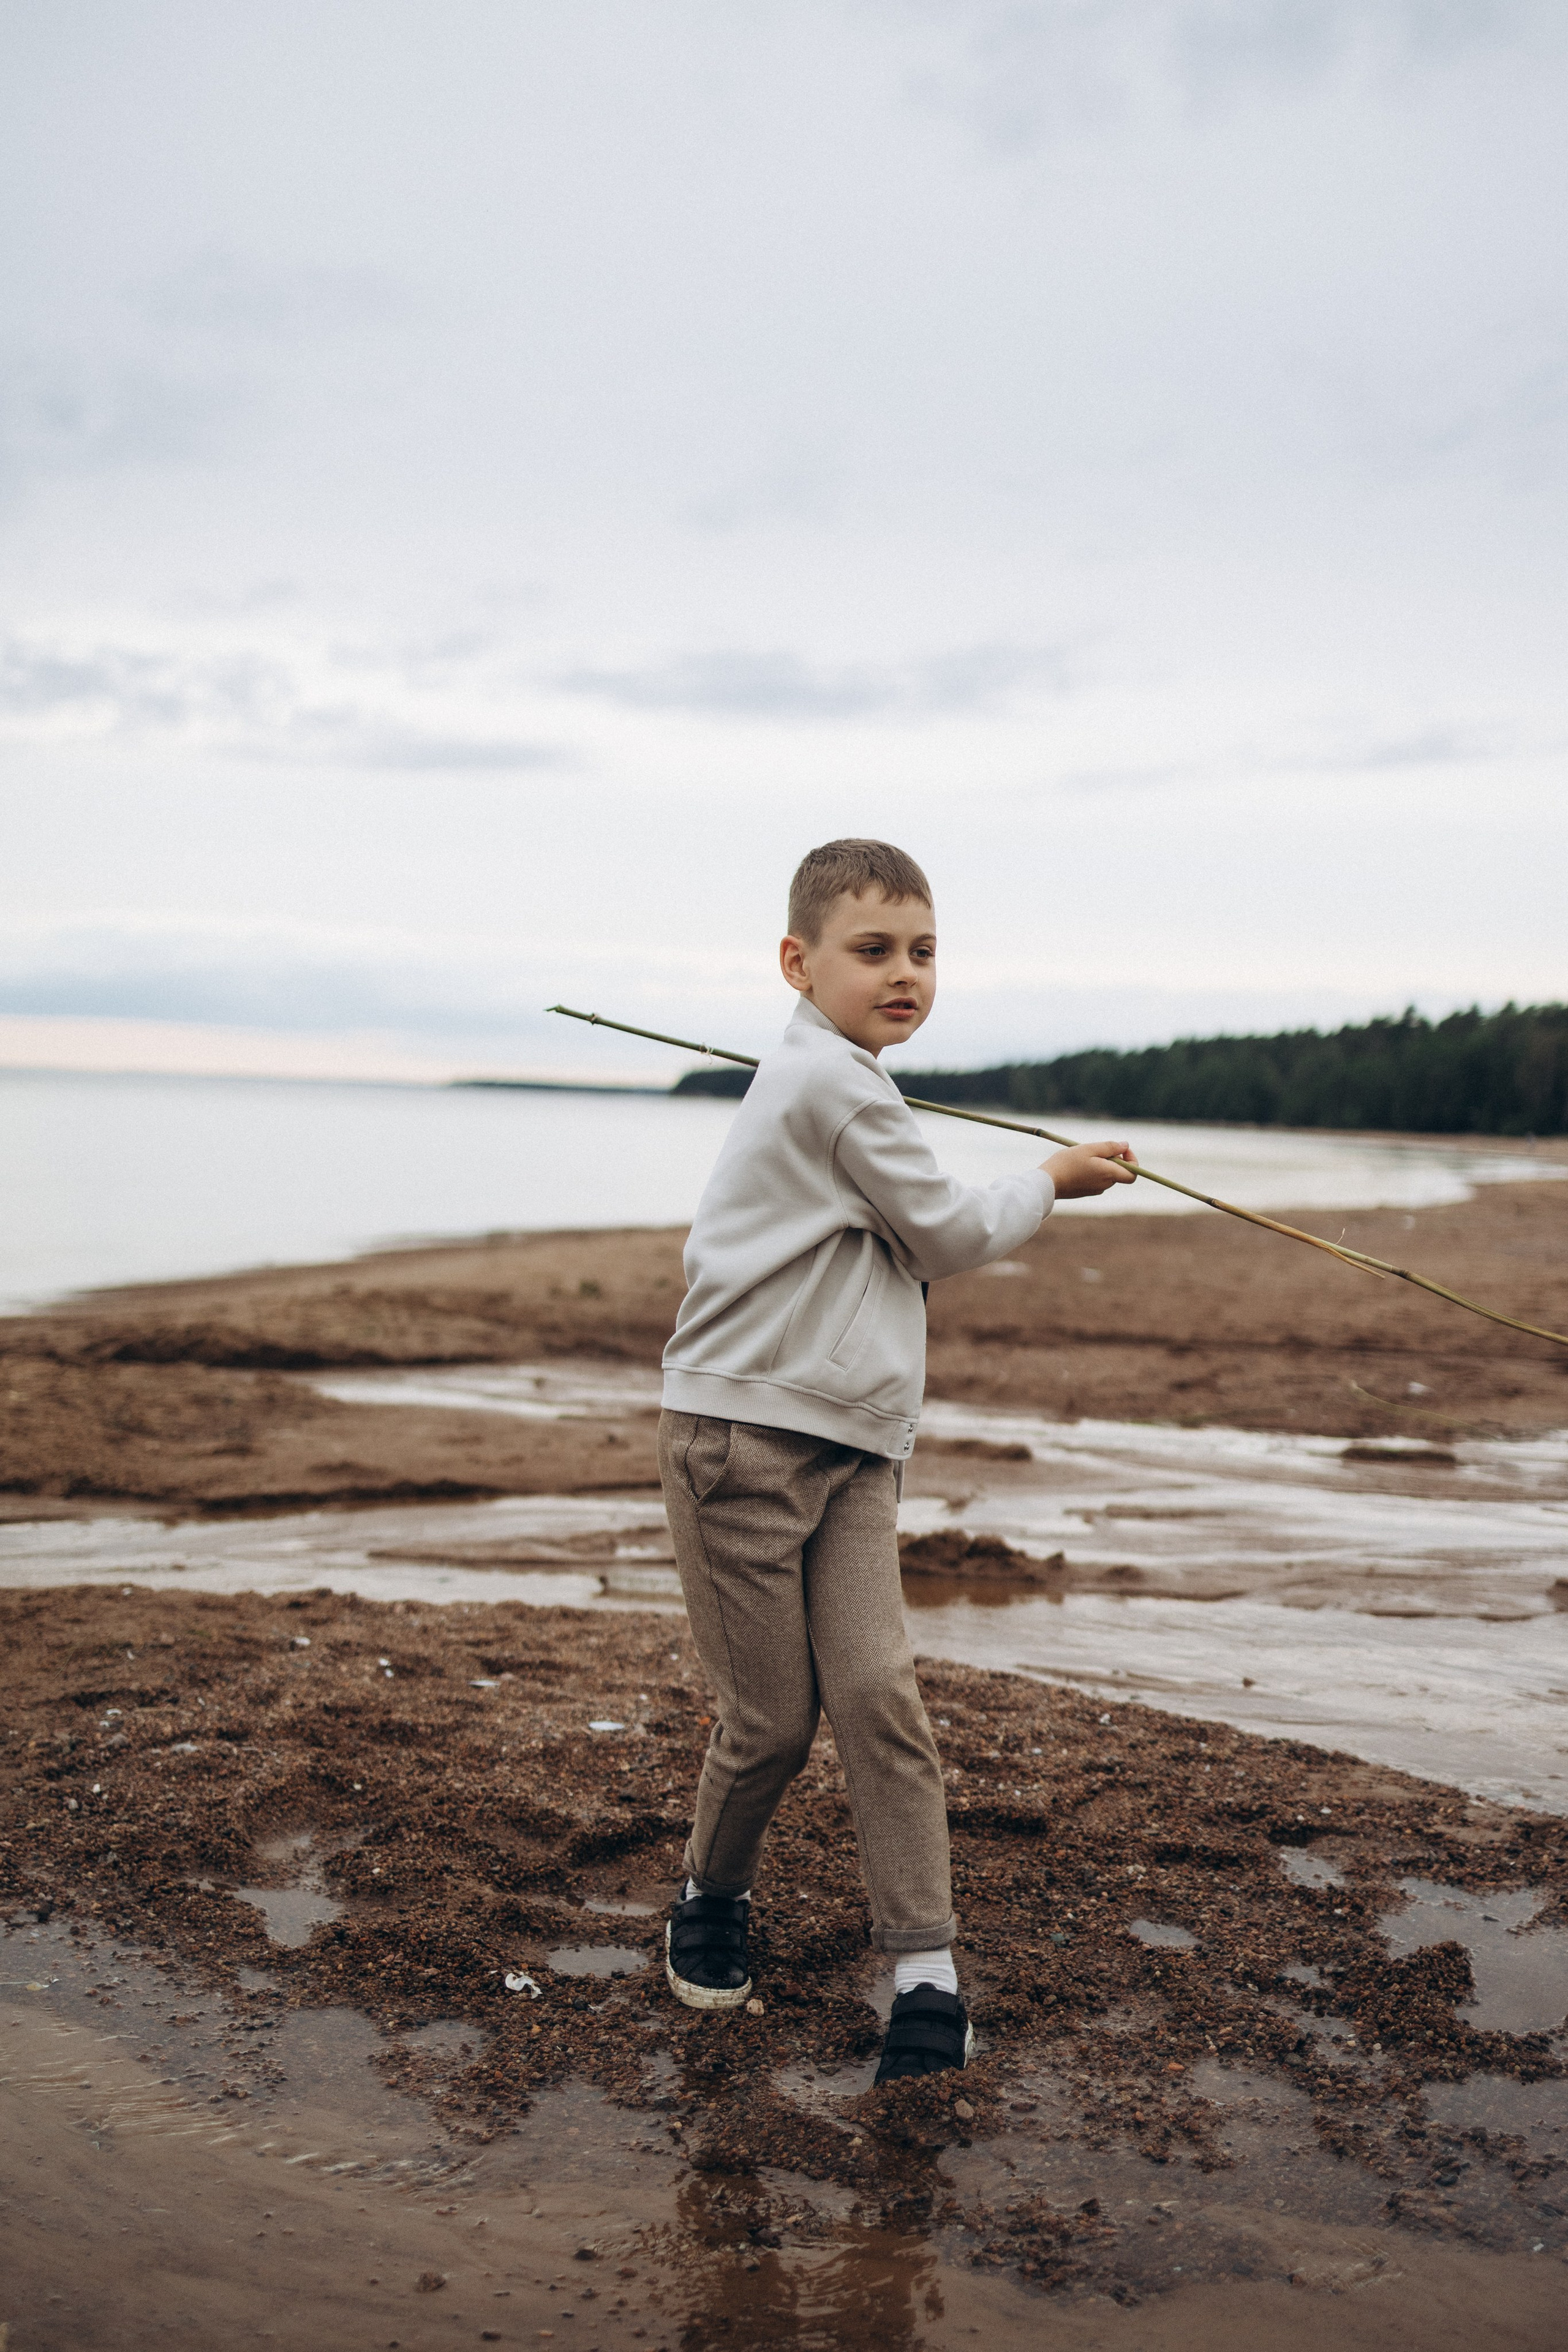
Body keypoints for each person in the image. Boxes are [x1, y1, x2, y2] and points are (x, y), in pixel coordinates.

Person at [657, 838, 1134, 2081]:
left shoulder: (847, 1083)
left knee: (878, 1698)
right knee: (770, 1724)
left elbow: (903, 1222)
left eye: (923, 951)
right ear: (796, 962)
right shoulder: (831, 1083)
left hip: (856, 1452)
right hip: (742, 1446)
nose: (904, 973)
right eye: (871, 951)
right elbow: (943, 1231)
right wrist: (1050, 1178)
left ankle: (926, 1974)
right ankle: (711, 1894)